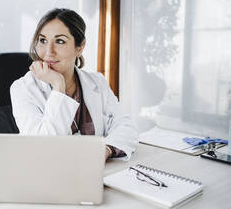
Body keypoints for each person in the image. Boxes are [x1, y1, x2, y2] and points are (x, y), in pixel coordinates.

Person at [10, 8, 138, 161]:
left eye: (60, 41)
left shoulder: (97, 82)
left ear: (80, 47)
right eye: (43, 40)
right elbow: (45, 148)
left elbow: (126, 126)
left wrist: (106, 150)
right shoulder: (23, 89)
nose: (49, 51)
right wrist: (58, 86)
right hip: (49, 176)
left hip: (95, 171)